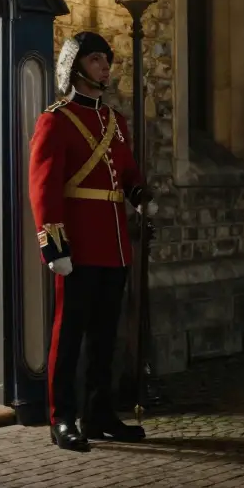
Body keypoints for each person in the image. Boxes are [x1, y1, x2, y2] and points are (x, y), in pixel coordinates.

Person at [28, 31, 155, 452]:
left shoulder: (115, 123)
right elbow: (44, 188)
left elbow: (127, 172)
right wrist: (54, 245)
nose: (105, 66)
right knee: (70, 336)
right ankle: (62, 417)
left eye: (106, 59)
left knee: (105, 335)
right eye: (97, 59)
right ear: (77, 66)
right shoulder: (56, 120)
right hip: (78, 244)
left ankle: (99, 413)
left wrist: (139, 195)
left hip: (115, 241)